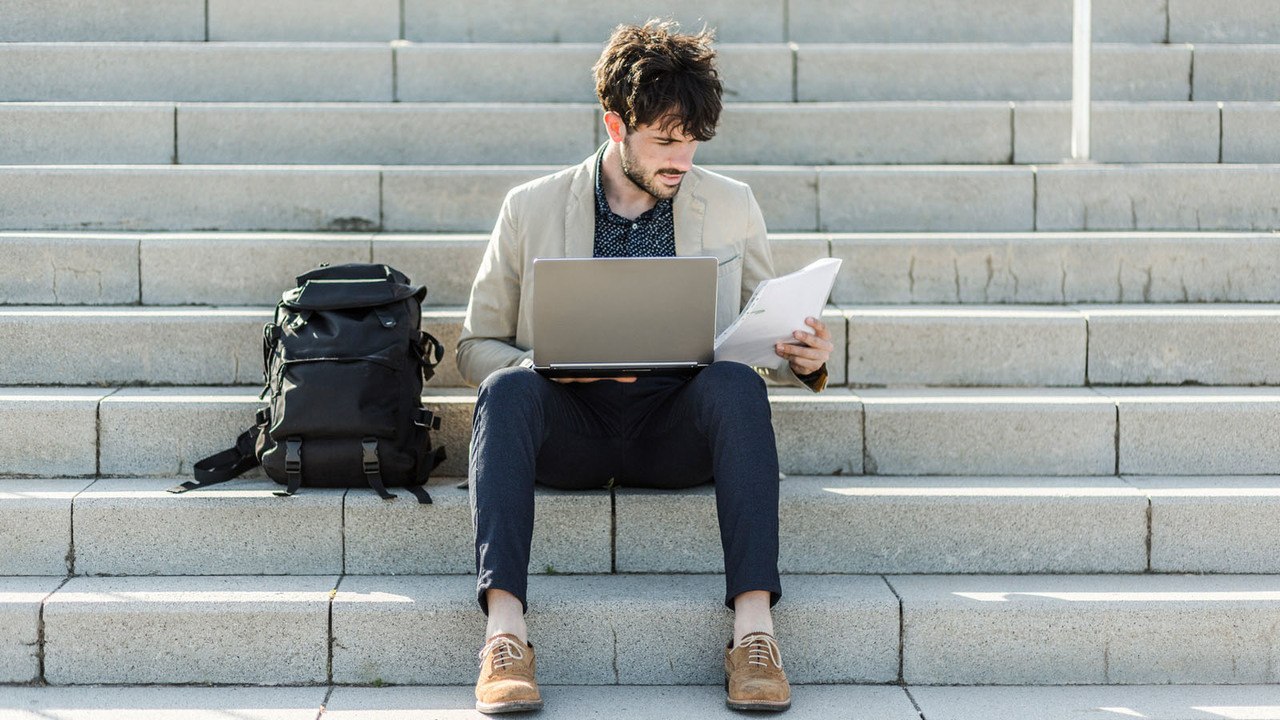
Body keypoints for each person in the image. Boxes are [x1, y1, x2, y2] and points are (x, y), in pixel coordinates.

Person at [457, 19, 832, 714]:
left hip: (675, 424)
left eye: (691, 141)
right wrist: (546, 366)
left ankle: (755, 635)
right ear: (614, 124)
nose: (681, 159)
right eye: (664, 140)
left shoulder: (732, 203)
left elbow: (763, 328)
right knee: (506, 391)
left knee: (736, 383)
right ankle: (505, 636)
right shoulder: (530, 207)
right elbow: (474, 347)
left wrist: (800, 356)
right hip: (569, 421)